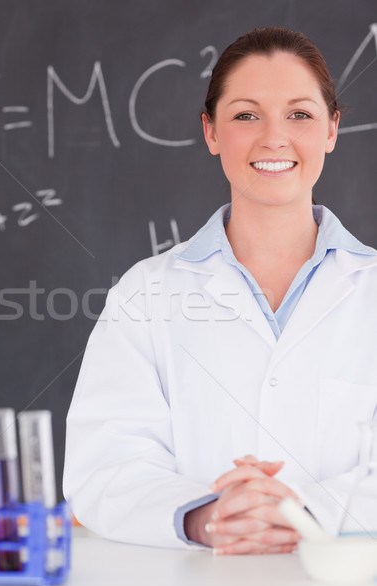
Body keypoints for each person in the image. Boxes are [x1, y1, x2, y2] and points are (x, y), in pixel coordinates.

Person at [63, 26, 377, 553]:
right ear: (211, 132)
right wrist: (207, 517)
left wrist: (301, 513)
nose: (274, 137)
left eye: (300, 114)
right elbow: (104, 471)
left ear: (331, 130)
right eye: (246, 115)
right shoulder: (146, 293)